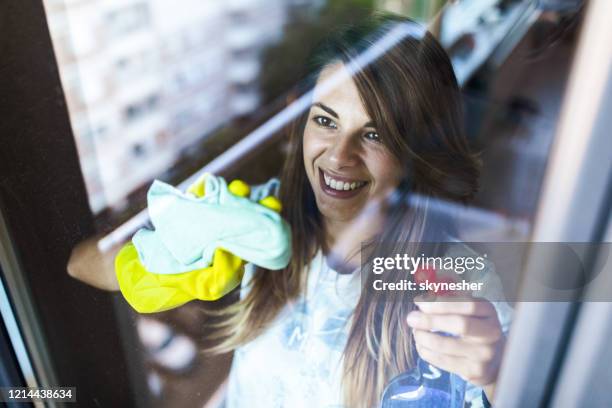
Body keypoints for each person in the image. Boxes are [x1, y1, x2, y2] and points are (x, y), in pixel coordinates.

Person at [206, 14, 511, 408]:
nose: (338, 155)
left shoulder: (460, 282)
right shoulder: (263, 215)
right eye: (325, 121)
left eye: (373, 134)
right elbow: (100, 261)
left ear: (416, 155)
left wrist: (496, 378)